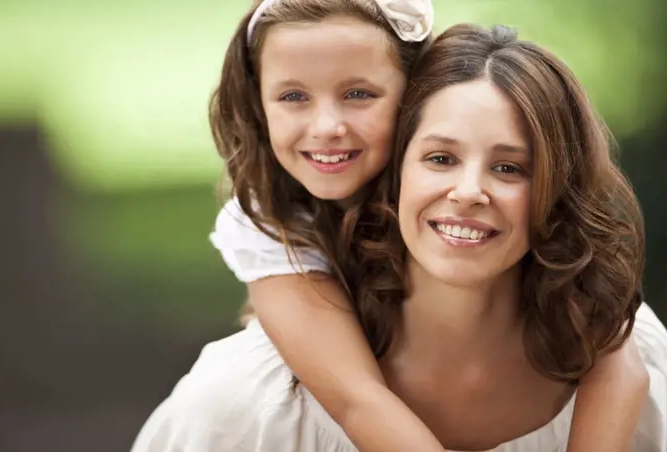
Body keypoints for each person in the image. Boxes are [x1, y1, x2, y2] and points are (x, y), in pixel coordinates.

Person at [133, 15, 661, 452]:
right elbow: (357, 401)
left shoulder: (621, 347)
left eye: (509, 168)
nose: (467, 190)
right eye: (440, 158)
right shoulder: (253, 382)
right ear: (401, 166)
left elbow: (621, 365)